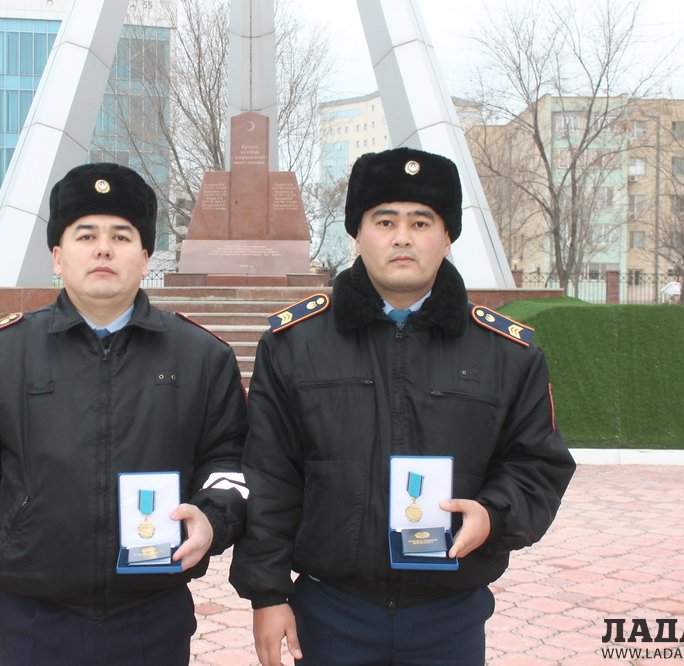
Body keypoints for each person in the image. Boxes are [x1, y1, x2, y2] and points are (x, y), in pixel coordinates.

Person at [229, 147, 576, 665]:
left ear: (448, 236)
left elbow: (537, 465)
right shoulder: (295, 344)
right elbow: (269, 474)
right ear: (357, 234)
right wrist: (268, 593)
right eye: (384, 221)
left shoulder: (506, 353)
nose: (402, 237)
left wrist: (492, 514)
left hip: (450, 612)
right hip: (329, 608)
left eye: (421, 222)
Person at [0, 162, 248, 664]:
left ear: (145, 257)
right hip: (32, 618)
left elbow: (232, 462)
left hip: (153, 616)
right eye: (86, 235)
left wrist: (213, 516)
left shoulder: (202, 357)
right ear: (57, 256)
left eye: (121, 236)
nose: (103, 249)